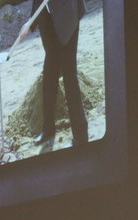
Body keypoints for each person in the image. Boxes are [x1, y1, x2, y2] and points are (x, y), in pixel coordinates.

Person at [20, 0, 88, 146]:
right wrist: (31, 23)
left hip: (66, 14)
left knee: (70, 76)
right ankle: (49, 129)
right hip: (48, 19)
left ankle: (81, 135)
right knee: (49, 77)